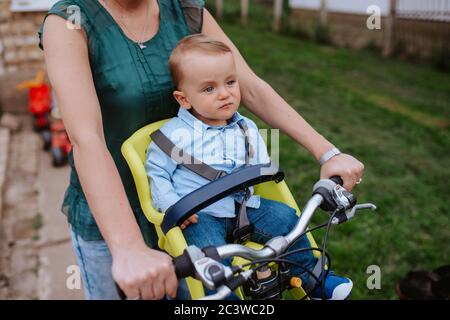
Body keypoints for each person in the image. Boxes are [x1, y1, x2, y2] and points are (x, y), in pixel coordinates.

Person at [39, 0, 364, 300]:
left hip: (202, 202)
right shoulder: (70, 21)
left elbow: (248, 85)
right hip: (116, 214)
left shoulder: (185, 7)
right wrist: (128, 248)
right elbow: (87, 138)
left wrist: (327, 152)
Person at [146, 34, 353, 300]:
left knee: (287, 218)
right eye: (209, 89)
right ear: (184, 99)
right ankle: (227, 299)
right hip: (200, 215)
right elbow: (157, 174)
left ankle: (314, 280)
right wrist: (173, 206)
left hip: (245, 207)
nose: (225, 93)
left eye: (230, 82)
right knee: (210, 258)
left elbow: (258, 165)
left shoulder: (246, 127)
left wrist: (258, 164)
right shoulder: (173, 135)